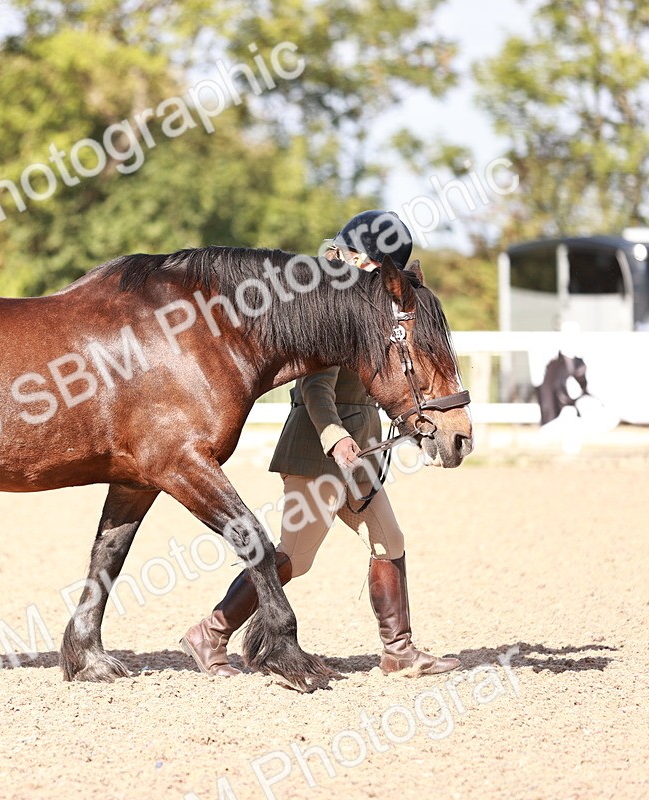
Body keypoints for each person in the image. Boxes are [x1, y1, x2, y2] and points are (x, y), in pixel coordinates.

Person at [180, 210, 461, 678]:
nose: (376, 278)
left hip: (362, 452)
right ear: (355, 256)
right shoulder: (326, 301)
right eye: (375, 268)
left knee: (389, 540)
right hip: (320, 450)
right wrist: (336, 439)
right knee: (296, 557)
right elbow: (314, 388)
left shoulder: (366, 295)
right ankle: (210, 632)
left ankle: (400, 651)